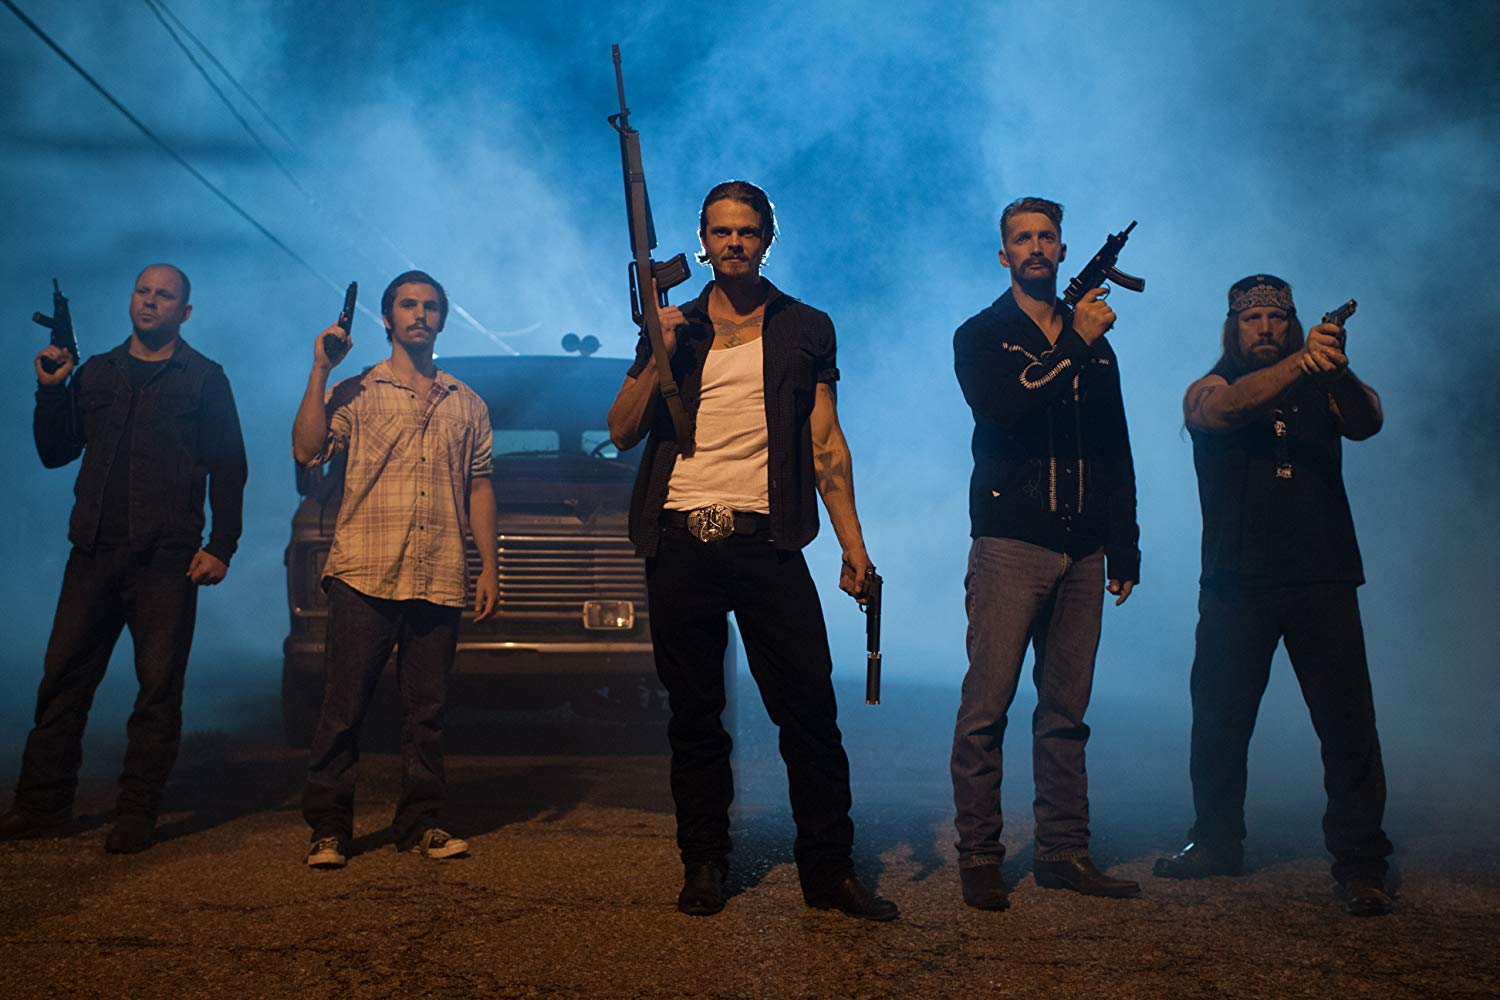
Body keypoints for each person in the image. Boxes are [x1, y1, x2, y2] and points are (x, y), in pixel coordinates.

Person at [607, 181, 896, 921]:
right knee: (695, 717)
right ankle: (704, 864)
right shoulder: (673, 324)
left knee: (809, 713)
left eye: (747, 231)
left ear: (768, 238)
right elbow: (621, 429)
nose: (734, 242)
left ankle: (829, 872)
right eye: (721, 231)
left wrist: (854, 546)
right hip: (681, 538)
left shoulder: (806, 327)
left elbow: (826, 443)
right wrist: (658, 351)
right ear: (702, 243)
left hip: (767, 539)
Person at [1155, 274, 1394, 917]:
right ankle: (1215, 842)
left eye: (1278, 318)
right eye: (1252, 318)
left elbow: (1369, 421)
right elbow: (1225, 411)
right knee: (1219, 721)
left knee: (1348, 726)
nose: (1265, 328)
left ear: (1293, 323)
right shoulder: (1209, 386)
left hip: (1322, 574)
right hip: (1236, 580)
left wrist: (1336, 368)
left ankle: (1362, 864)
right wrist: (1302, 361)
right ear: (1232, 328)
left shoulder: (1322, 384)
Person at [0, 263, 247, 854]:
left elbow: (229, 467)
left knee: (157, 690)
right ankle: (41, 807)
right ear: (131, 299)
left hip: (166, 558)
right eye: (143, 291)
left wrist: (221, 546)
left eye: (164, 295)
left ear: (185, 312)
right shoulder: (97, 372)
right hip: (93, 552)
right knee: (63, 683)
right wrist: (51, 389)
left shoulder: (205, 378)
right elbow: (55, 452)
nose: (150, 301)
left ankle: (136, 812)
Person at [950, 197, 1142, 910]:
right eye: (1022, 238)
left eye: (1047, 236)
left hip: (1084, 550)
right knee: (986, 710)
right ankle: (979, 856)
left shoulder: (1099, 346)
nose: (1035, 246)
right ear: (1004, 255)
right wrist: (1076, 344)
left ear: (1062, 250)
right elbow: (1006, 410)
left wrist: (1124, 544)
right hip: (1009, 544)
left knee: (1066, 712)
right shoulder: (983, 334)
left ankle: (1064, 852)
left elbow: (1115, 446)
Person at [292, 270, 498, 869]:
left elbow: (480, 486)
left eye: (430, 306)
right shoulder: (357, 390)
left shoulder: (467, 402)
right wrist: (320, 371)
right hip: (366, 570)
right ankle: (329, 827)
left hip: (438, 571)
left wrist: (489, 564)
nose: (420, 314)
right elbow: (307, 450)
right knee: (344, 706)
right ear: (387, 318)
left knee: (427, 712)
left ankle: (422, 823)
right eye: (408, 305)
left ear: (442, 319)